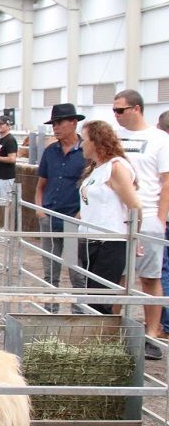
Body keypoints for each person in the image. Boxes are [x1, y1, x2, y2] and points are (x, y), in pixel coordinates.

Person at [112, 89, 169, 359]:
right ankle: (111, 330)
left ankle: (152, 334)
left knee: (150, 277)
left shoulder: (159, 139)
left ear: (136, 108)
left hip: (146, 216)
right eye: (115, 110)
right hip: (116, 217)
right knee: (116, 275)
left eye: (120, 110)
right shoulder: (114, 136)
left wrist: (159, 218)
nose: (116, 115)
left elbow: (166, 180)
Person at [77, 120, 141, 316]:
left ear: (96, 141)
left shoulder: (116, 167)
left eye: (84, 140)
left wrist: (134, 238)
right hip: (91, 239)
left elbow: (135, 206)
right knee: (91, 294)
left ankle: (102, 342)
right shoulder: (97, 169)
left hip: (110, 240)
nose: (81, 145)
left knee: (100, 299)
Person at [34, 103, 88, 311]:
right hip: (49, 215)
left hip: (73, 218)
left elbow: (90, 187)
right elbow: (41, 184)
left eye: (59, 122)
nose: (56, 127)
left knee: (76, 270)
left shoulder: (86, 152)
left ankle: (79, 313)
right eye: (54, 123)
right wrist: (39, 209)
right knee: (50, 269)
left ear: (73, 123)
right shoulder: (50, 151)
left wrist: (80, 214)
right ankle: (51, 311)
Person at [0, 115, 19, 220]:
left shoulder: (10, 140)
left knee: (7, 202)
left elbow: (12, 159)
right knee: (2, 202)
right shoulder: (1, 139)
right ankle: (5, 225)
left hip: (7, 177)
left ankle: (9, 226)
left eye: (1, 124)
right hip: (0, 175)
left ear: (8, 125)